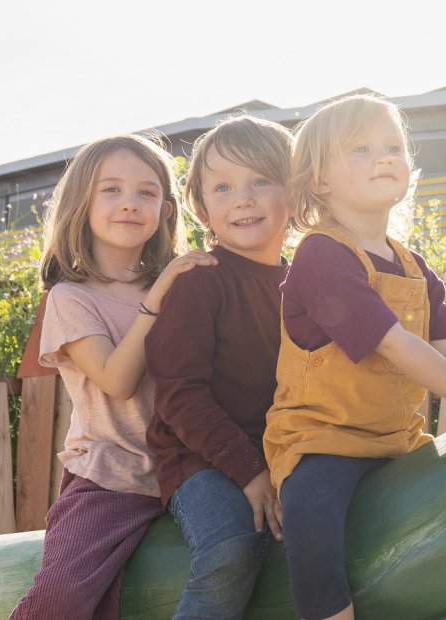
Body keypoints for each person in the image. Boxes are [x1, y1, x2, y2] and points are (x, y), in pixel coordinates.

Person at [265, 95, 446, 620]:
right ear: (320, 181)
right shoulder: (321, 255)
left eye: (393, 147)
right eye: (361, 148)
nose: (384, 157)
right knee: (312, 516)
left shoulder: (411, 264)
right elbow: (394, 342)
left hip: (397, 440)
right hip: (323, 438)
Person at [11, 134, 214, 620]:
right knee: (62, 599)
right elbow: (117, 380)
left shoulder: (184, 283)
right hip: (111, 477)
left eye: (147, 192)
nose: (130, 203)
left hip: (188, 468)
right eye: (112, 190)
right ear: (82, 203)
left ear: (167, 211)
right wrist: (161, 294)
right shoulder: (72, 297)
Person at [144, 116, 295, 619]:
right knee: (232, 544)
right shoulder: (200, 282)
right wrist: (250, 472)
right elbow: (179, 395)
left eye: (261, 181)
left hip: (284, 448)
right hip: (199, 457)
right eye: (223, 187)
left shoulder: (308, 283)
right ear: (202, 208)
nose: (243, 199)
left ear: (294, 193)